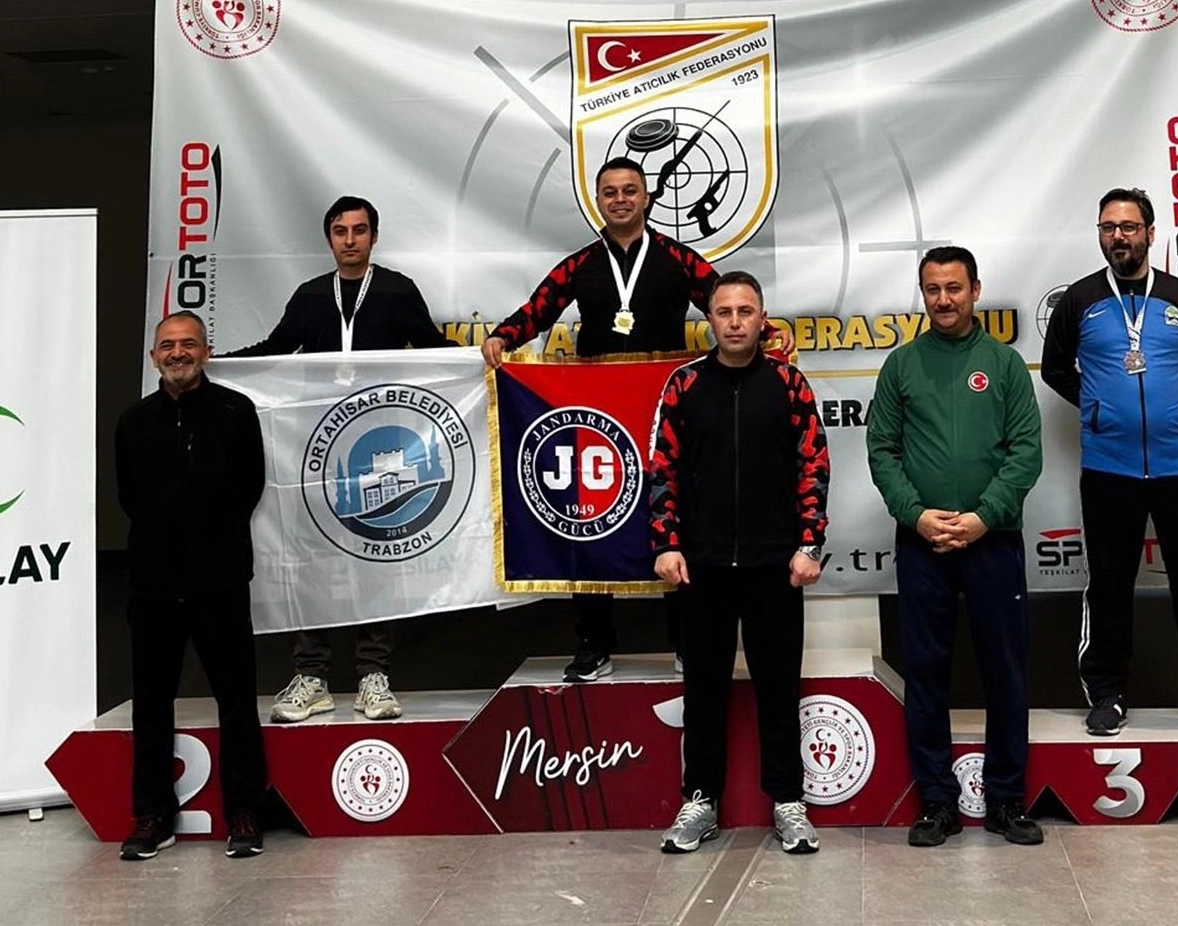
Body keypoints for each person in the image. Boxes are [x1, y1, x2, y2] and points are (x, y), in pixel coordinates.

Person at [482, 156, 720, 683]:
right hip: (597, 419)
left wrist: (769, 334)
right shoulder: (581, 264)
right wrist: (502, 336)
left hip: (664, 411)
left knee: (676, 517)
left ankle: (687, 643)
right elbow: (538, 309)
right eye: (610, 192)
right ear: (598, 201)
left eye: (629, 190)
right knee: (588, 520)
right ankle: (593, 645)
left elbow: (723, 302)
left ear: (647, 198)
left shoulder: (678, 259)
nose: (620, 199)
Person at [227, 195, 456, 723]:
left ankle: (374, 674)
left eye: (359, 230)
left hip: (377, 441)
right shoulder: (311, 296)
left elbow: (430, 347)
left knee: (376, 552)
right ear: (328, 238)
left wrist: (485, 360)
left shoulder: (397, 290)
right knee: (314, 556)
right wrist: (221, 365)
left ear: (374, 236)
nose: (350, 240)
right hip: (320, 446)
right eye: (340, 231)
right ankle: (312, 675)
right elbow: (277, 348)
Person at [1040, 187, 1178, 738]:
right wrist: (1099, 407)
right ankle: (1107, 695)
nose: (1118, 237)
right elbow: (1056, 370)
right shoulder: (1080, 300)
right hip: (1109, 470)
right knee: (1109, 586)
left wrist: (1177, 410)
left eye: (1129, 227)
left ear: (1150, 233)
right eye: (1108, 227)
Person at [867, 247, 1045, 847]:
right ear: (923, 294)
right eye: (933, 289)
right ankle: (936, 803)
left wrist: (982, 517)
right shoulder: (902, 365)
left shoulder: (1004, 364)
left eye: (954, 288)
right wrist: (916, 515)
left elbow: (1026, 452)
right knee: (926, 673)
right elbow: (881, 450)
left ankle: (1006, 800)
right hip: (923, 544)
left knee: (1005, 673)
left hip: (993, 541)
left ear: (975, 290)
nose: (943, 299)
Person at [649, 271, 830, 855]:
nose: (734, 322)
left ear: (761, 318)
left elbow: (813, 466)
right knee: (703, 691)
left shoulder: (788, 383)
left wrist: (808, 545)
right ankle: (699, 801)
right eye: (723, 311)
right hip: (700, 566)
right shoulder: (684, 385)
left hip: (775, 564)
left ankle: (789, 802)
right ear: (710, 319)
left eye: (744, 311)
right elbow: (661, 469)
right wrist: (666, 544)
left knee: (778, 689)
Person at [115, 311, 268, 860]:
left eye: (187, 344)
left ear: (206, 351)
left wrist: (212, 545)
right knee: (152, 703)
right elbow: (129, 497)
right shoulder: (134, 422)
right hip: (153, 586)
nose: (177, 353)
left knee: (237, 700)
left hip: (220, 581)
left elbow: (251, 487)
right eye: (166, 346)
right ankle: (153, 815)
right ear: (153, 357)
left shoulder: (236, 412)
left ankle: (244, 811)